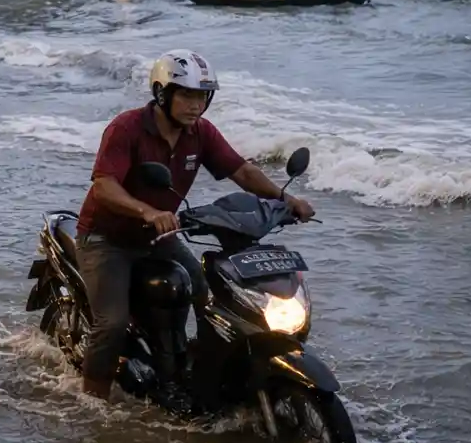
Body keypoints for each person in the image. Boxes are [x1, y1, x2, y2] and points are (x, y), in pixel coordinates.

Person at [73, 50, 313, 401]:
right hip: (106, 238)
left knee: (203, 290)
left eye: (202, 97)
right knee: (111, 323)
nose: (196, 105)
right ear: (162, 94)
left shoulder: (201, 133)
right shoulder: (126, 128)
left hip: (159, 236)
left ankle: (193, 371)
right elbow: (104, 185)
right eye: (186, 95)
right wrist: (148, 212)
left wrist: (285, 199)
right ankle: (92, 399)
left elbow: (242, 171)